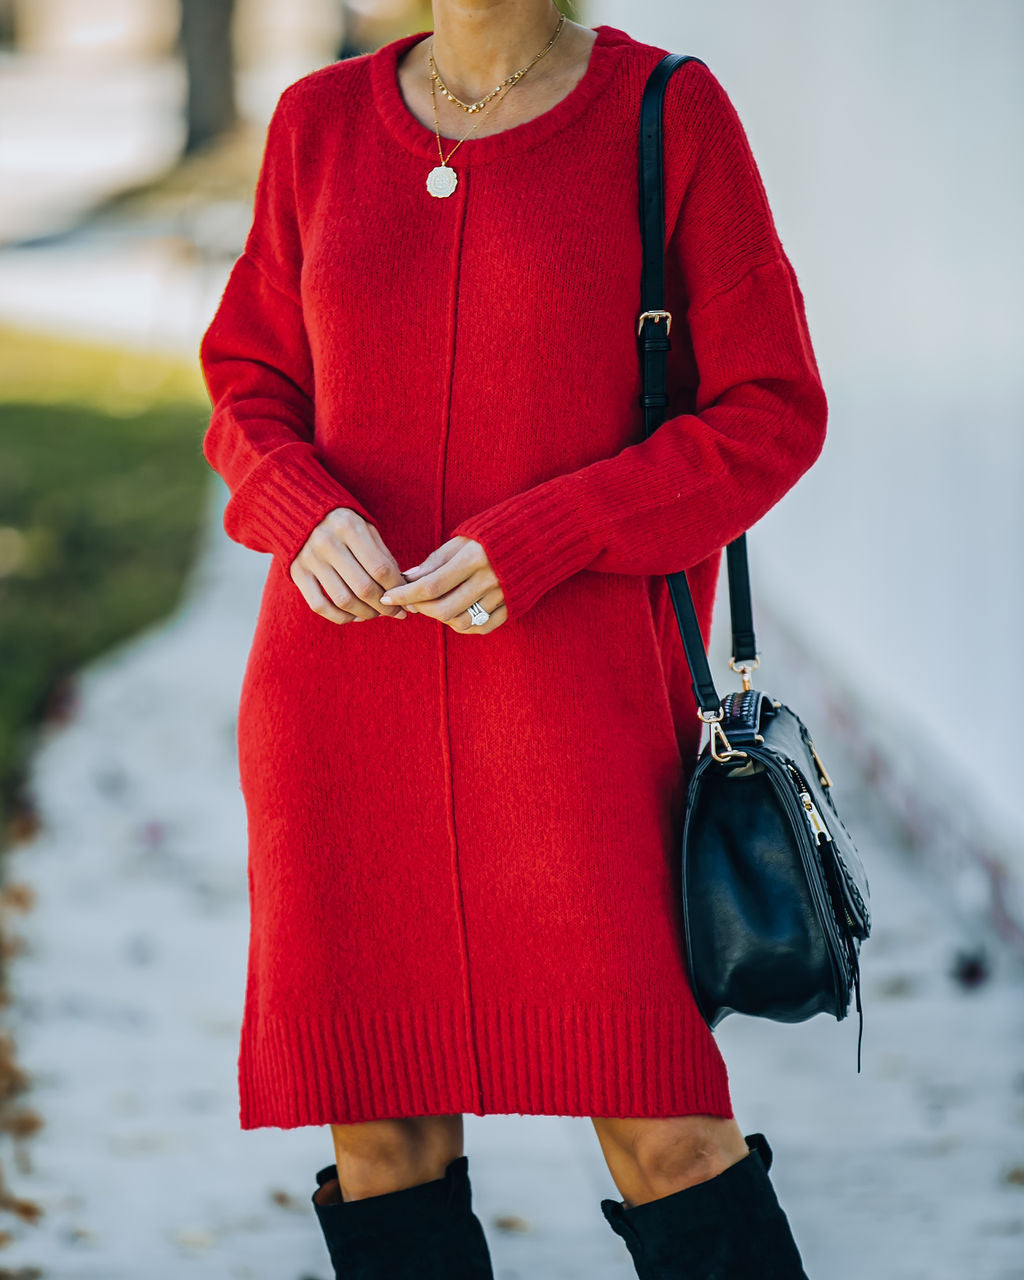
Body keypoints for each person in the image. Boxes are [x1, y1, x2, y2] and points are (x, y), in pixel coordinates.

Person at [198, 1, 826, 1275]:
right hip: (340, 711)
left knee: (673, 1139)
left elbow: (769, 409)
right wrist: (298, 507)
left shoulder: (666, 113)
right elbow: (245, 382)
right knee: (384, 1145)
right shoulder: (318, 122)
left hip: (578, 716)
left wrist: (551, 532)